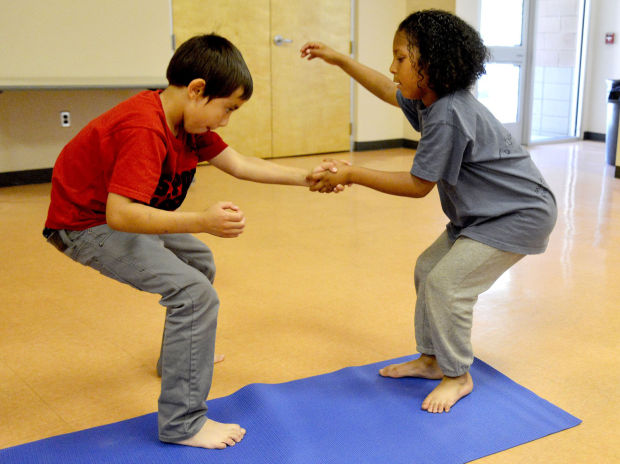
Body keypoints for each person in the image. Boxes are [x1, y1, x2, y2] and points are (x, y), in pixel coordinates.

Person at [43, 34, 337, 449]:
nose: (226, 120)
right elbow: (120, 214)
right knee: (196, 295)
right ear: (197, 90)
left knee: (199, 263)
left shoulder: (188, 122)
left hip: (113, 216)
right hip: (85, 224)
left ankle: (178, 359)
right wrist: (201, 219)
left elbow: (238, 164)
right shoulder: (145, 127)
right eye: (228, 109)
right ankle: (183, 423)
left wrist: (307, 178)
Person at [301, 10, 557, 414]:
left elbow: (418, 186)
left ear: (432, 63)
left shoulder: (449, 114)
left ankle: (458, 375)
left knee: (447, 285)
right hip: (479, 214)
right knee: (427, 269)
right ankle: (432, 360)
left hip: (517, 213)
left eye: (401, 58)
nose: (392, 66)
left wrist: (352, 173)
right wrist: (341, 59)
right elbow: (388, 90)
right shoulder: (431, 100)